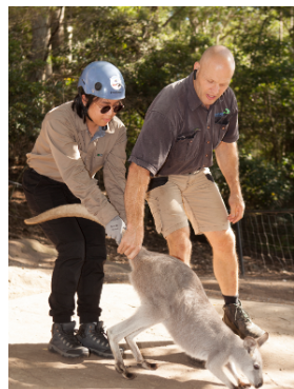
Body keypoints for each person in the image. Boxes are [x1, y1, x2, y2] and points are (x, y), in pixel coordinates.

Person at [117, 45, 265, 339]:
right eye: (211, 81)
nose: (216, 89)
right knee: (180, 241)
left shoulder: (226, 99)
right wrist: (133, 226)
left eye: (223, 84)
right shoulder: (169, 105)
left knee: (225, 239)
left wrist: (235, 190)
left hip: (198, 173)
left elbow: (225, 144)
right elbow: (138, 170)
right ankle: (188, 324)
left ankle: (232, 311)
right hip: (163, 178)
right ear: (197, 68)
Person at [22, 61, 128, 358]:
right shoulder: (59, 120)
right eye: (105, 107)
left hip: (83, 188)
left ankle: (90, 327)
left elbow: (117, 182)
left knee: (96, 251)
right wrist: (110, 219)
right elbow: (77, 178)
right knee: (73, 247)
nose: (111, 115)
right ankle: (62, 329)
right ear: (84, 98)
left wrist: (122, 223)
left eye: (117, 107)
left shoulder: (116, 131)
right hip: (45, 184)